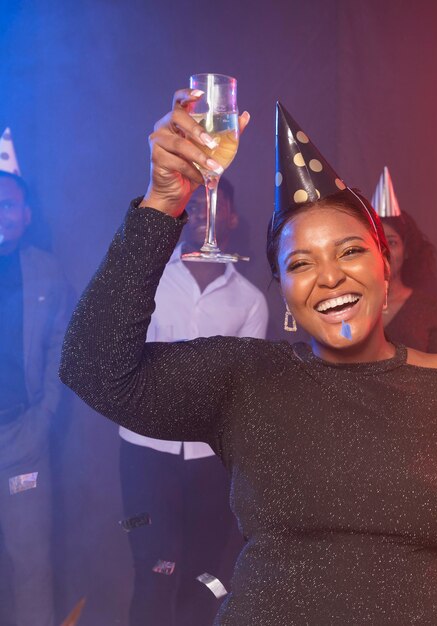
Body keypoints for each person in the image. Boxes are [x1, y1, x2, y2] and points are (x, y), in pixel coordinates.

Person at [60, 92, 437, 624]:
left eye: (349, 250)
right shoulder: (247, 379)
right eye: (300, 262)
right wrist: (161, 204)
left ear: (384, 265)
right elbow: (93, 367)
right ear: (284, 293)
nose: (329, 275)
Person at [118, 179, 268, 626]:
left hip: (209, 462)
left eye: (216, 204)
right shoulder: (149, 280)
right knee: (152, 570)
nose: (204, 211)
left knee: (203, 575)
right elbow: (124, 358)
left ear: (232, 219)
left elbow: (244, 389)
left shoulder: (250, 301)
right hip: (146, 454)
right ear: (183, 214)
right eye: (195, 203)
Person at [0, 128, 69, 626]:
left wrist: (43, 419)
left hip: (21, 441)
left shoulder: (47, 273)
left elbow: (59, 354)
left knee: (31, 568)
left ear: (25, 215)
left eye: (8, 205)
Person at [371, 166, 437, 353]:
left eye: (391, 243)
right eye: (375, 243)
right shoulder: (349, 305)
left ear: (406, 250)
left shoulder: (431, 310)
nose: (383, 252)